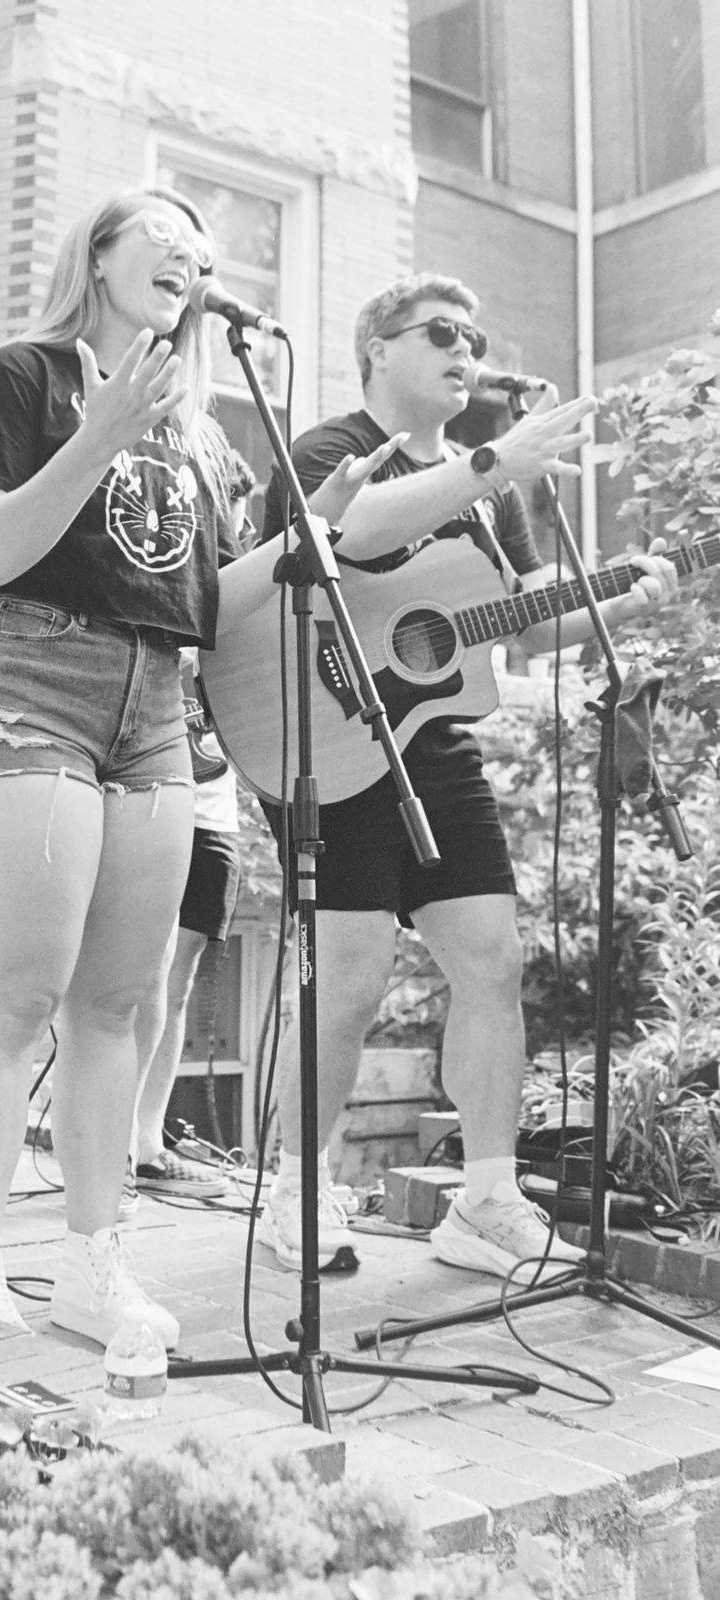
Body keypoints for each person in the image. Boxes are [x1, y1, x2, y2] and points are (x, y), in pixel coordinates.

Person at [251, 272, 677, 1278]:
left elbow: (521, 621)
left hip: (434, 740)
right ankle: (295, 1188)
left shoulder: (494, 488)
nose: (464, 352)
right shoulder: (329, 448)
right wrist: (492, 463)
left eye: (473, 338)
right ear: (378, 349)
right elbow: (345, 533)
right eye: (441, 332)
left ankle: (484, 1200)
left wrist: (621, 598)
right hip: (329, 738)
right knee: (349, 979)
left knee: (491, 961)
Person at [0, 187, 270, 1346]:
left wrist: (319, 530)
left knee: (117, 1001)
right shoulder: (19, 379)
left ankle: (92, 1262)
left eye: (202, 252)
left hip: (156, 703)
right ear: (99, 252)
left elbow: (207, 602)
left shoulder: (203, 433)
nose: (190, 257)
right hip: (30, 680)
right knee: (20, 991)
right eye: (164, 236)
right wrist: (101, 434)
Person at [123, 451, 257, 1209]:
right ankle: (106, 1138)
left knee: (176, 985)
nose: (239, 527)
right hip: (153, 790)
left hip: (216, 803)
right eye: (229, 510)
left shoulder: (247, 587)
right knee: (140, 975)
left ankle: (146, 1143)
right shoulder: (169, 572)